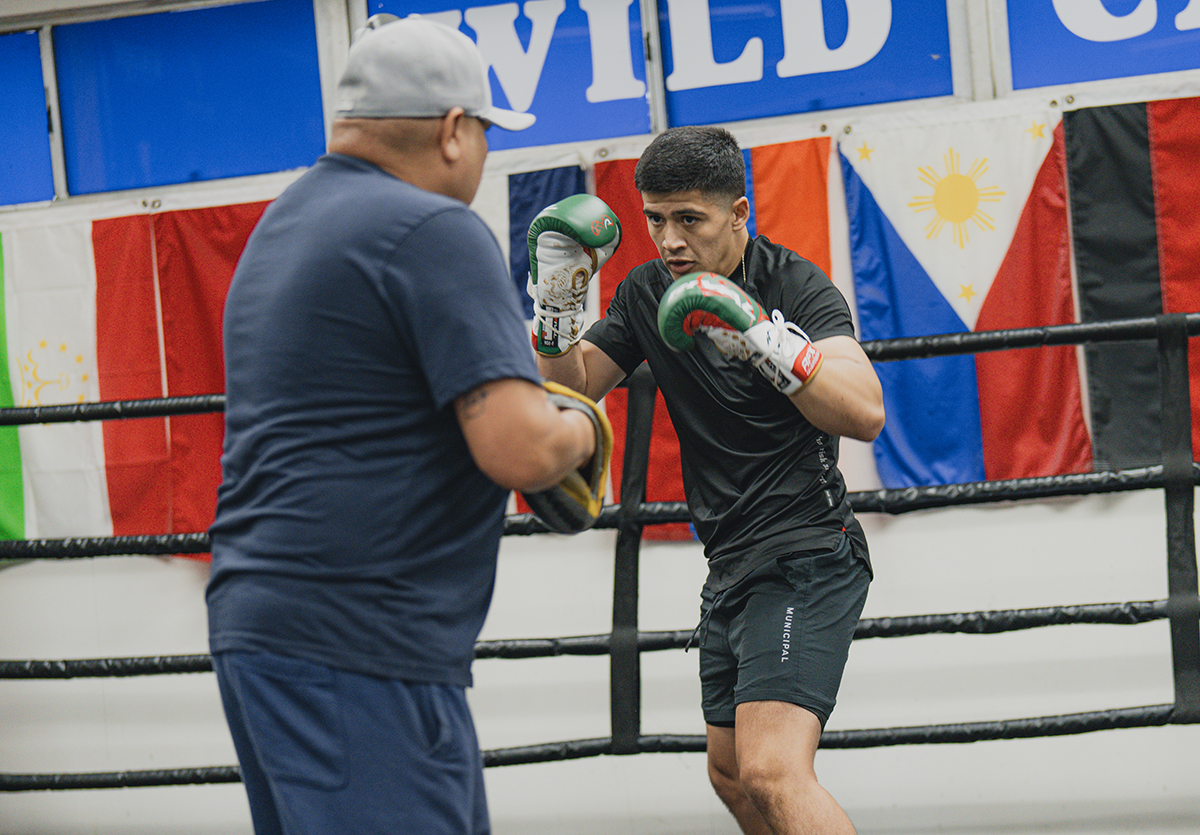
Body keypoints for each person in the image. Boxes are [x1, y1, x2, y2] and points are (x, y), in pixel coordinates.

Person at [205, 16, 604, 835]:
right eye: (487, 133)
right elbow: (521, 446)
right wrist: (585, 427)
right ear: (454, 131)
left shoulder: (283, 226)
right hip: (360, 636)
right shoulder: (432, 229)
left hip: (270, 623)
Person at [532, 125, 884, 835]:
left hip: (806, 550)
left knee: (773, 771)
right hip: (728, 564)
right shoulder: (644, 292)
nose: (671, 239)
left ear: (739, 213)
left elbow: (866, 410)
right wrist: (556, 300)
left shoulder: (791, 283)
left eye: (689, 218)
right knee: (731, 772)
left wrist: (765, 340)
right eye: (656, 219)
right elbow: (572, 388)